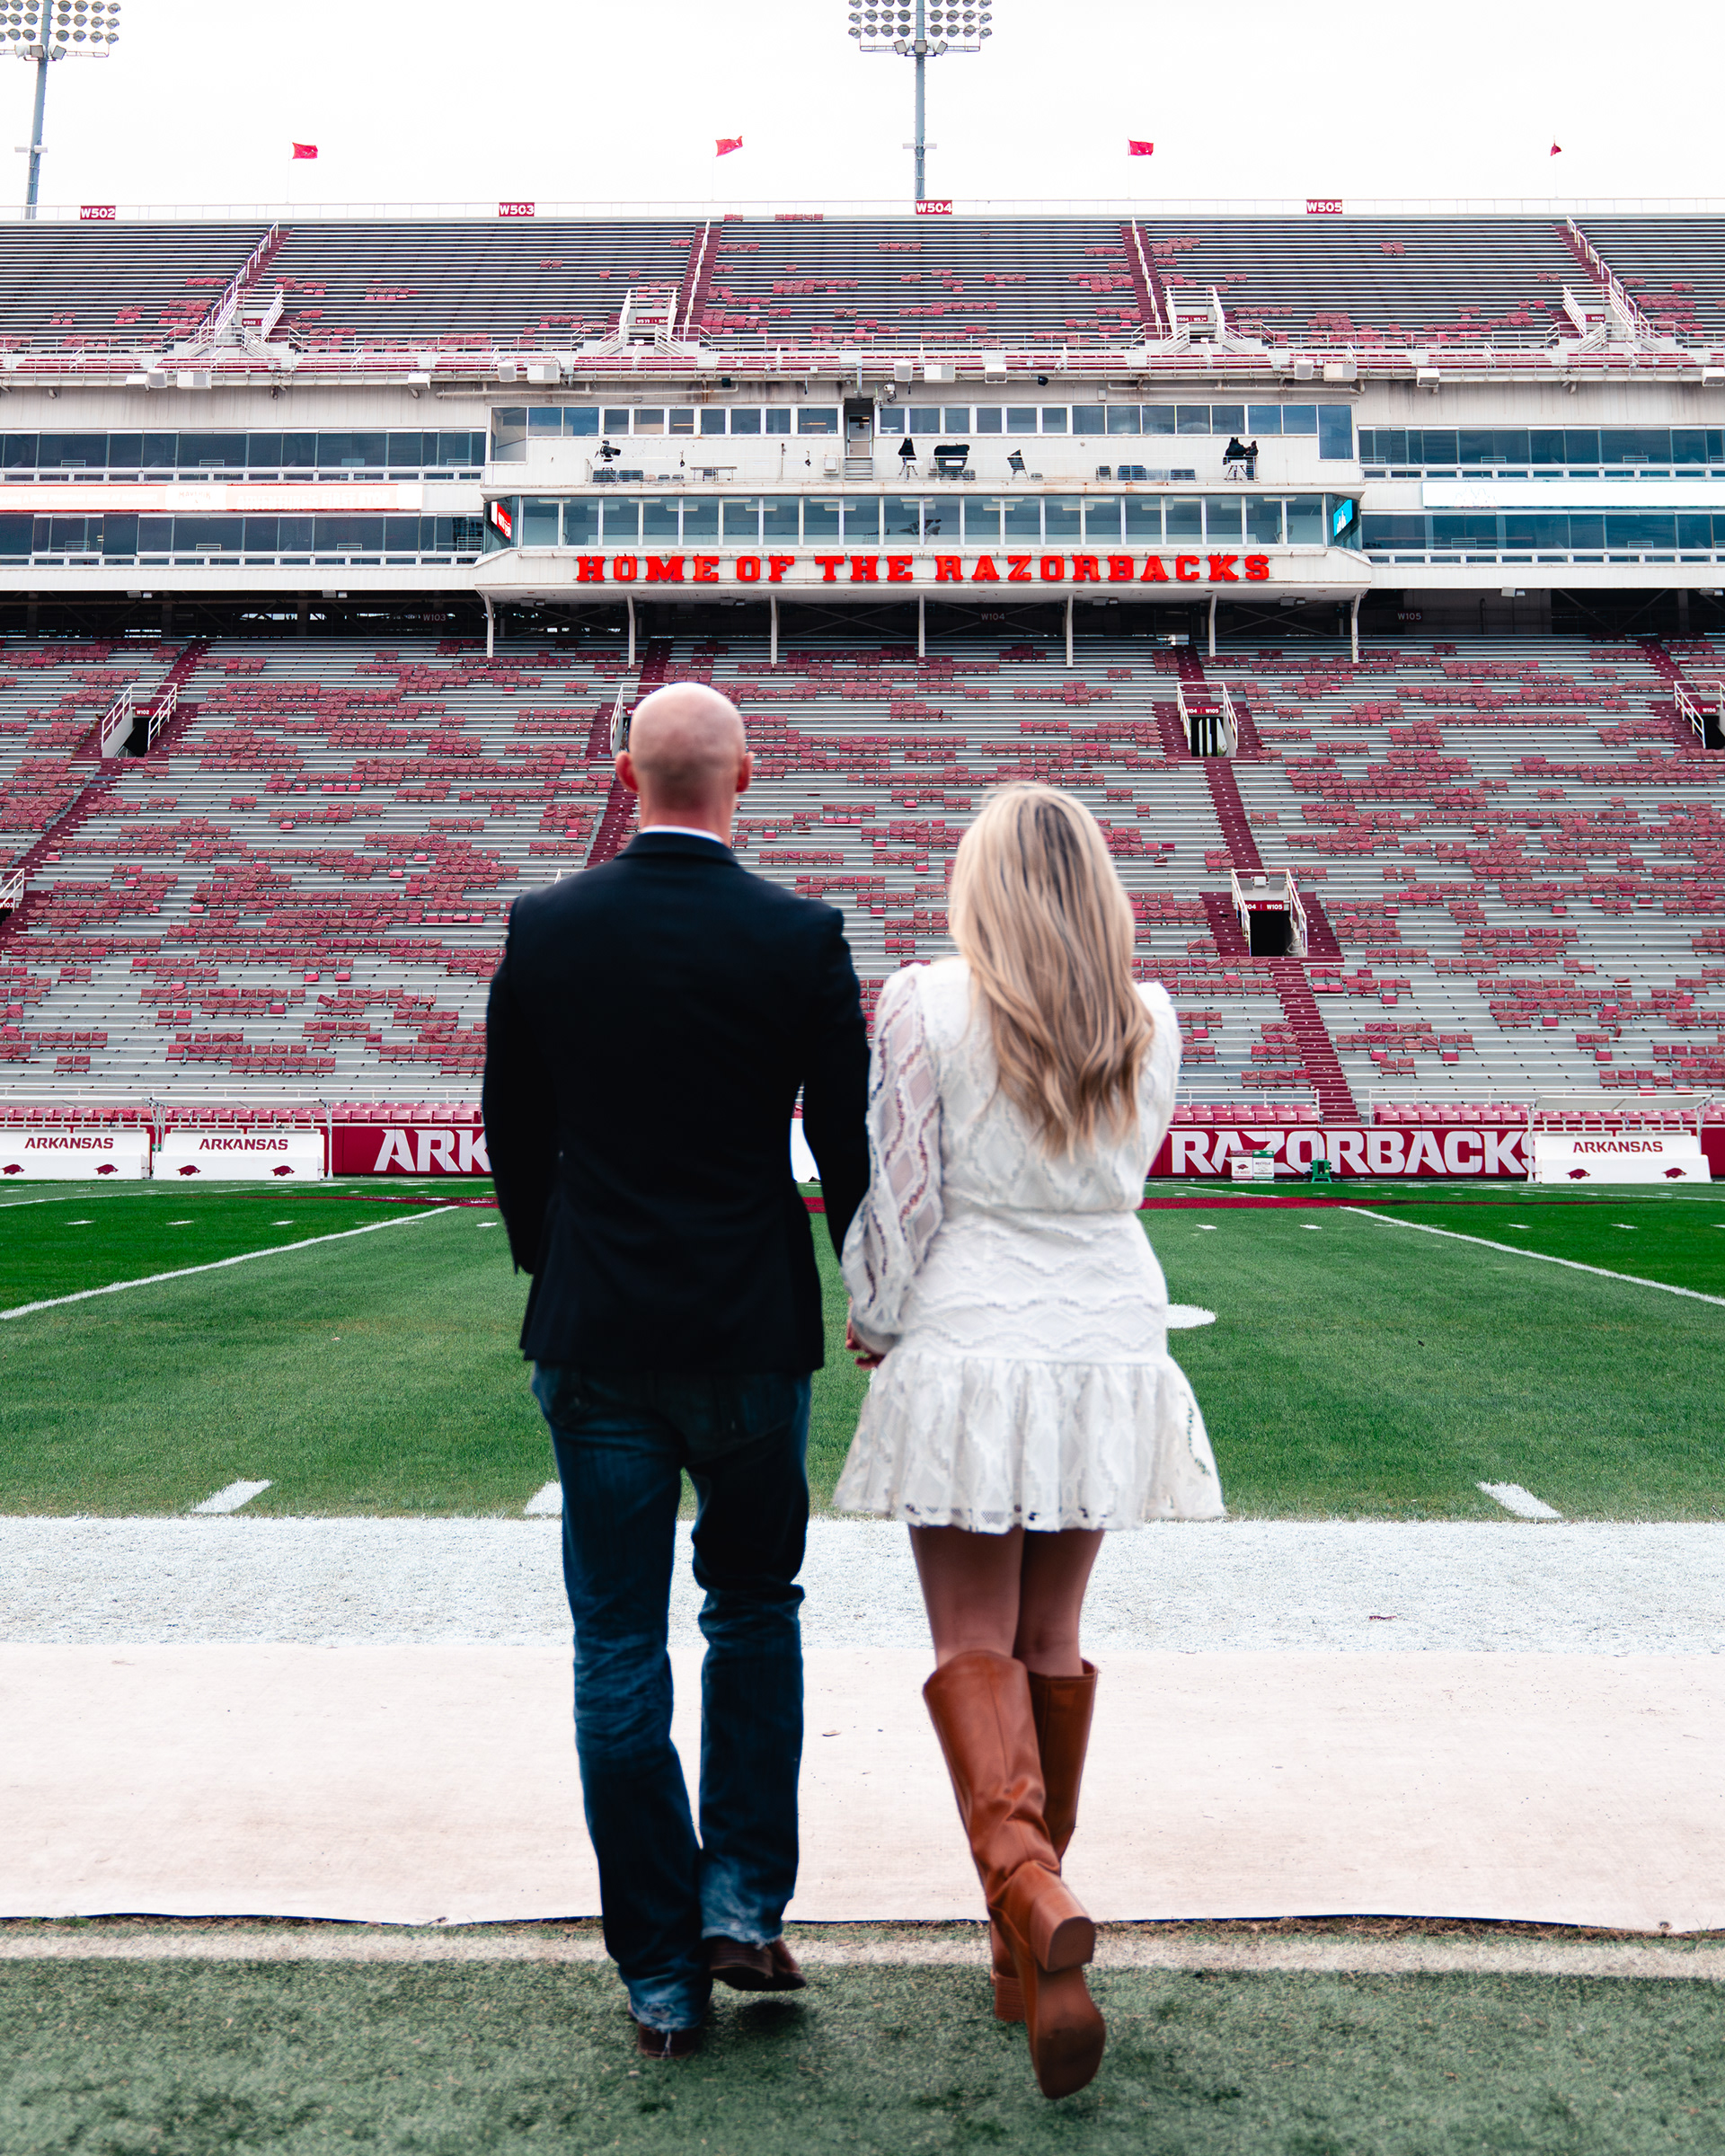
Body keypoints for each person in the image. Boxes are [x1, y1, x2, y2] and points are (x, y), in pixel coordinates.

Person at [483, 682, 871, 2061]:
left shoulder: (546, 926)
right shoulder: (801, 934)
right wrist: (862, 1283)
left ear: (624, 773)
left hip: (596, 1326)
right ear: (744, 776)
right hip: (750, 1323)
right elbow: (847, 1139)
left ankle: (658, 1971)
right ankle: (742, 1905)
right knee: (755, 1610)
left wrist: (558, 1263)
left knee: (615, 1644)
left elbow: (511, 1126)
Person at [835, 783, 1224, 2101]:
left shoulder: (922, 1001)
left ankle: (1030, 1889)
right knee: (1050, 1638)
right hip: (1108, 1334)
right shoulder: (1150, 1011)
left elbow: (904, 1189)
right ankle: (1021, 1956)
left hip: (973, 1325)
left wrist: (875, 1319)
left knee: (970, 1640)